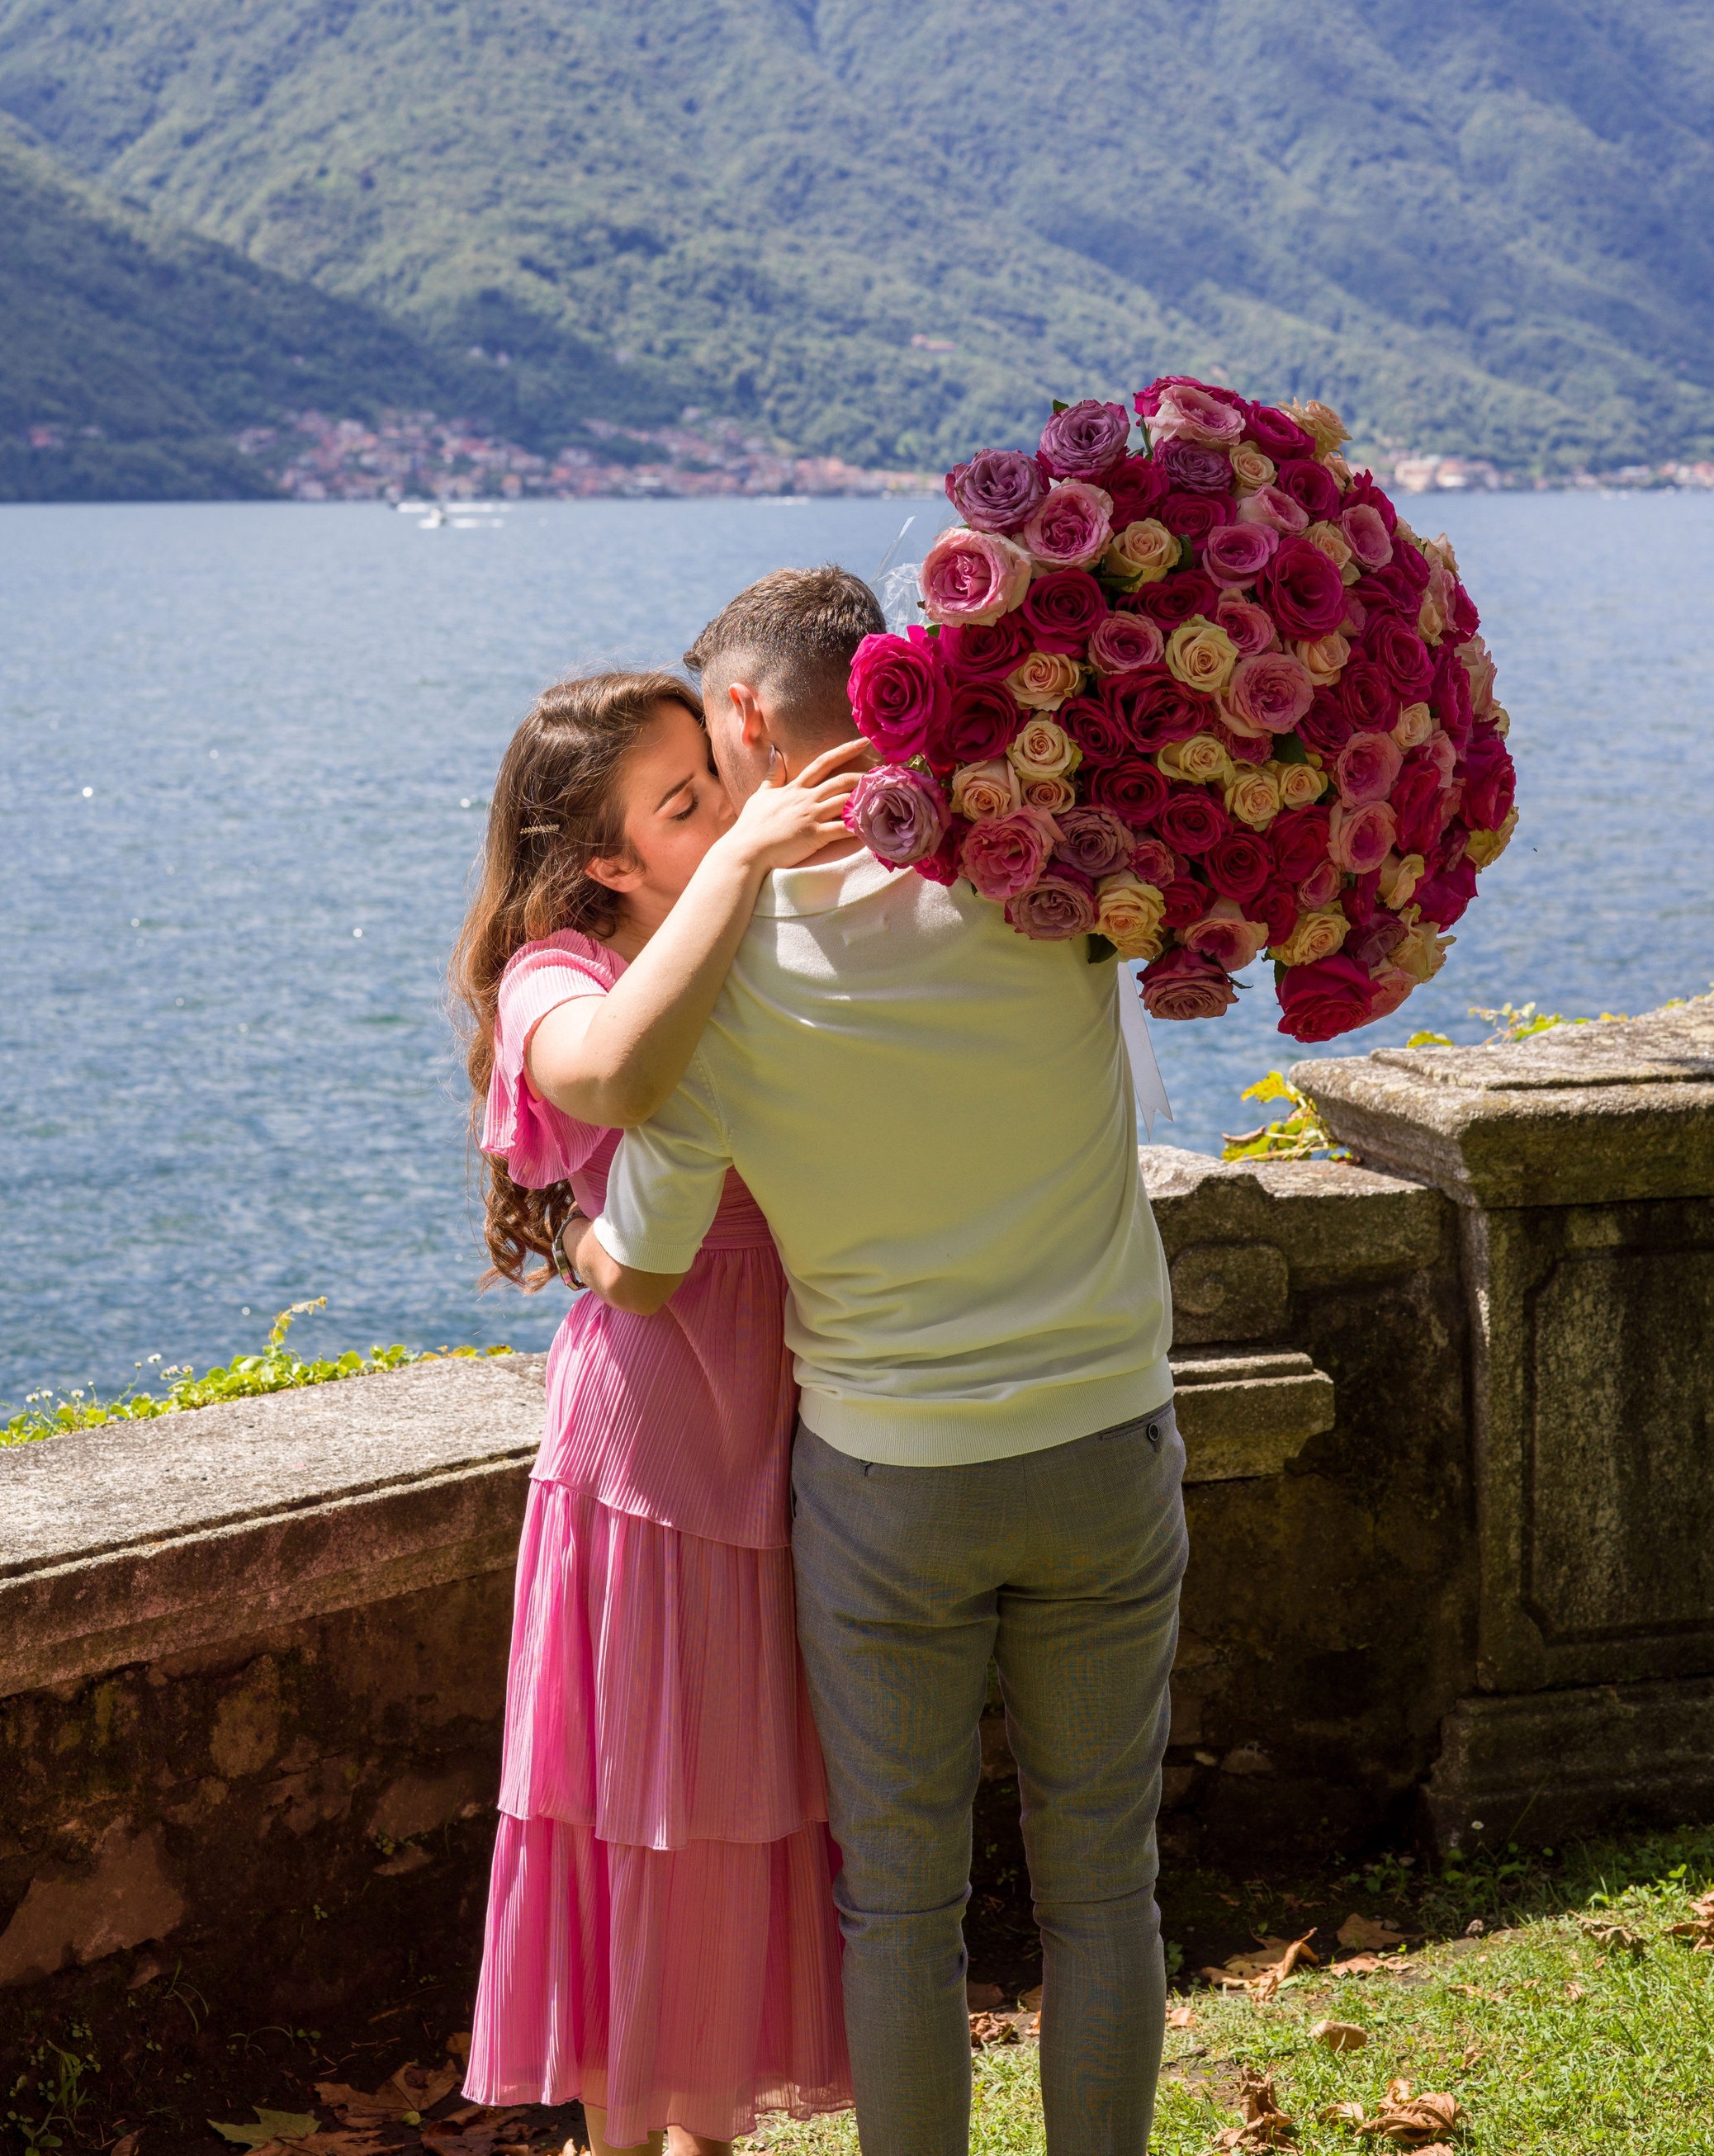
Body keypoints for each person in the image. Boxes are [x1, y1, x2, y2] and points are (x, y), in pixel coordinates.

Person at [585, 568, 1186, 2156]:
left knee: (903, 1908)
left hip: (889, 1481)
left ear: (740, 714)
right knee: (1103, 1886)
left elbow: (643, 1264)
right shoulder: (1049, 879)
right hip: (1102, 1440)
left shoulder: (718, 978)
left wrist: (569, 1241)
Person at [450, 666, 865, 2156]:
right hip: (652, 1445)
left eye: (720, 780)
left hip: (801, 1424)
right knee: (644, 1821)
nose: (729, 813)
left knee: (749, 1821)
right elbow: (614, 1076)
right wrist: (748, 862)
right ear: (608, 862)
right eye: (684, 806)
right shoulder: (555, 973)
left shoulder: (763, 919)